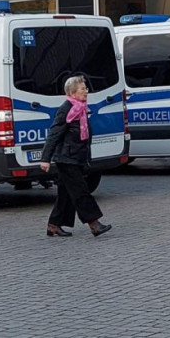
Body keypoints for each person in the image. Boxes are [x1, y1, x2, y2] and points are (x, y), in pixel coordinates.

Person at [39, 75, 112, 238]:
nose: (86, 91)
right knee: (81, 191)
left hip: (75, 157)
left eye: (86, 88)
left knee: (65, 194)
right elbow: (54, 134)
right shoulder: (66, 109)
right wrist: (45, 159)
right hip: (66, 159)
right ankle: (94, 224)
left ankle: (53, 225)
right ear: (72, 92)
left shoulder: (81, 108)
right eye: (82, 89)